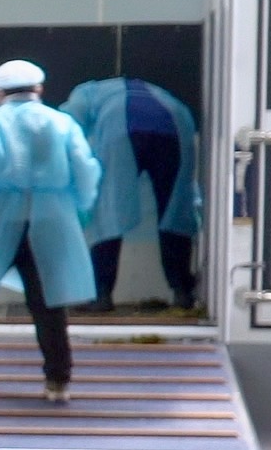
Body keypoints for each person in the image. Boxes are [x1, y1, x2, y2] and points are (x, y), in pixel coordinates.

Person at [0, 58, 103, 402]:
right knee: (48, 301)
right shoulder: (62, 124)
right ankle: (58, 380)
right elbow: (85, 168)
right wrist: (83, 205)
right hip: (52, 218)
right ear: (39, 89)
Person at [61, 74, 202, 310]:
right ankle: (182, 292)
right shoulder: (158, 92)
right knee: (175, 209)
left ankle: (101, 295)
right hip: (176, 125)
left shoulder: (86, 92)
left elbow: (67, 126)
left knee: (108, 210)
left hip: (120, 126)